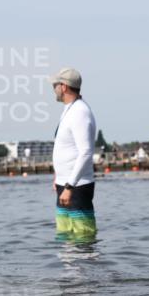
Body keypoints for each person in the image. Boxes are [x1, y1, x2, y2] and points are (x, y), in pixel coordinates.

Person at [50, 67, 97, 239]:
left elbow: (85, 152)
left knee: (83, 238)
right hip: (65, 184)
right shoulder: (69, 110)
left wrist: (70, 186)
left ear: (64, 87)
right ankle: (67, 267)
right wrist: (58, 178)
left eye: (55, 85)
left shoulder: (80, 112)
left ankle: (87, 265)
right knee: (65, 237)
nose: (53, 89)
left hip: (77, 186)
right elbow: (66, 148)